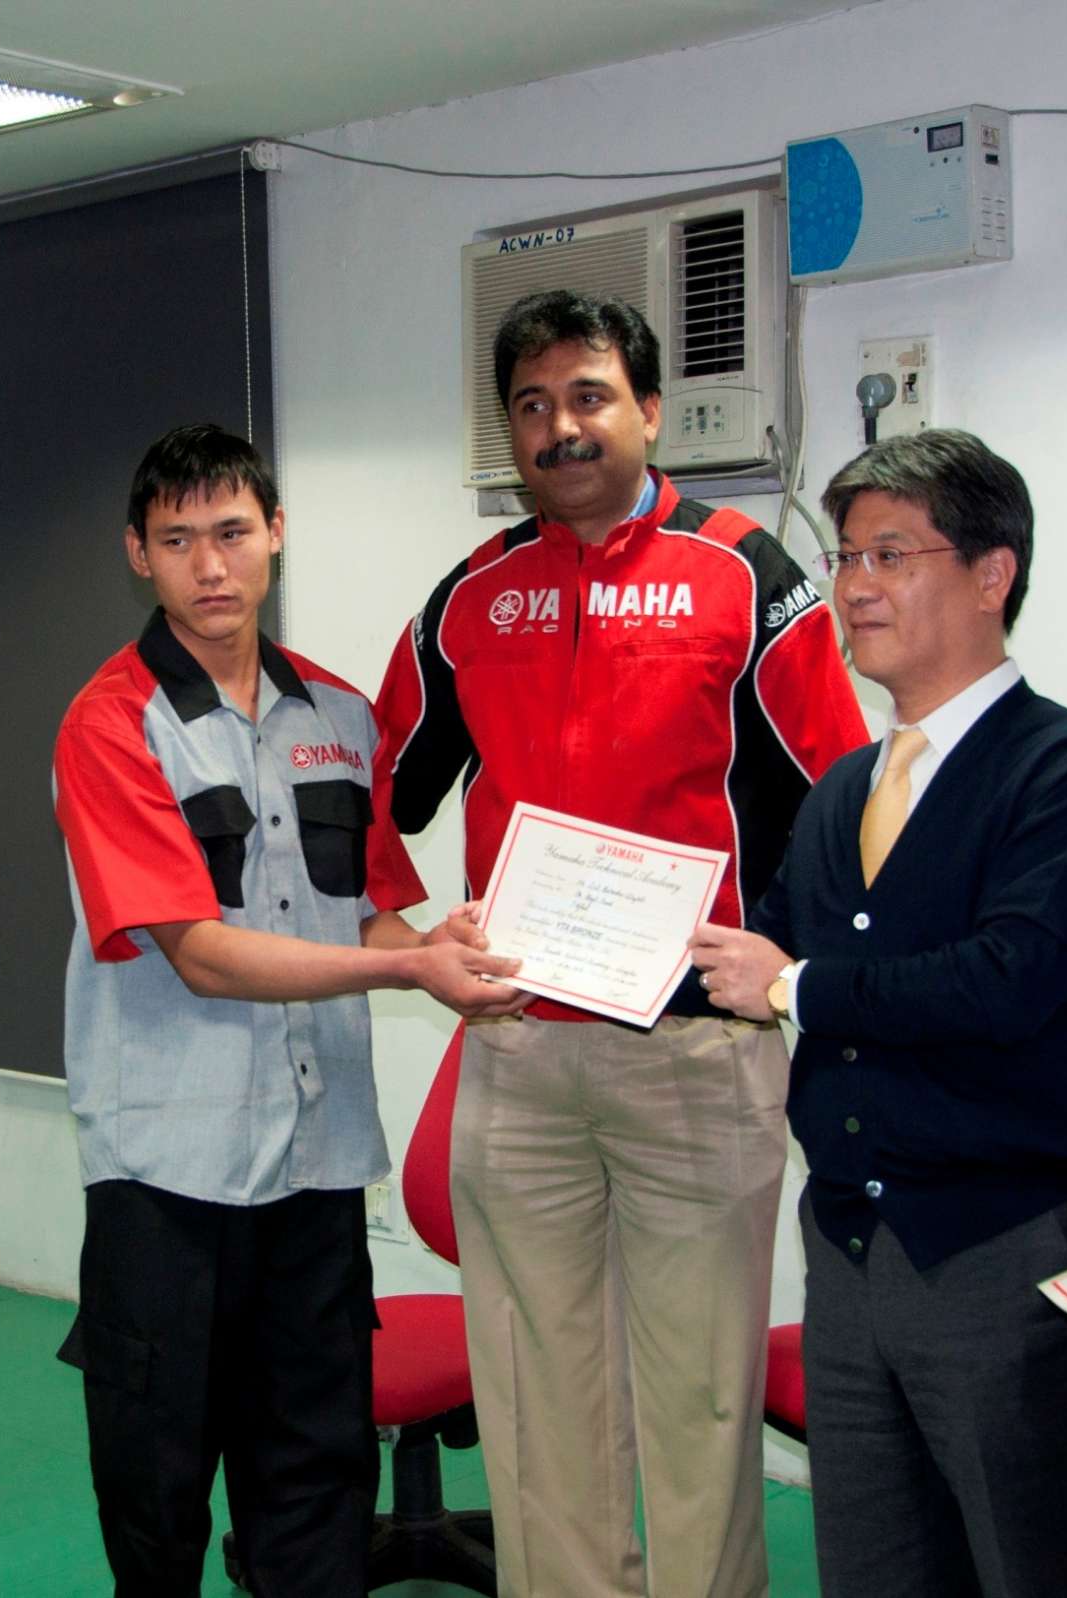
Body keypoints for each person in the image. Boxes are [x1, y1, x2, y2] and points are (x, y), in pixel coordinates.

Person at [374, 289, 867, 1598]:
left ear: (651, 411)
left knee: (703, 1398)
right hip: (521, 1050)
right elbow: (368, 790)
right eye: (531, 405)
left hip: (696, 1058)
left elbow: (847, 802)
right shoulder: (470, 597)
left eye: (589, 396)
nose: (561, 426)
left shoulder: (745, 573)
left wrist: (779, 969)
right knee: (537, 1400)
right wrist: (412, 935)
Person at [52, 423, 525, 1598]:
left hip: (315, 1171)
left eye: (230, 532)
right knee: (157, 1489)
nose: (209, 566)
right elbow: (199, 954)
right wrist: (408, 973)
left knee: (313, 1479)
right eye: (178, 540)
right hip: (168, 1167)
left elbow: (365, 912)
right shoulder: (110, 724)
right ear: (138, 554)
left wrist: (443, 946)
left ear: (274, 534)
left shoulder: (344, 718)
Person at [690, 428, 1067, 1597]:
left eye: (891, 553)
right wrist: (573, 929)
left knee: (1032, 1564)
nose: (853, 587)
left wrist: (789, 984)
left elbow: (1006, 981)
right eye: (846, 557)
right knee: (877, 1570)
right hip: (850, 1244)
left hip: (1004, 1249)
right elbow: (765, 938)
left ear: (993, 572)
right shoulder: (849, 783)